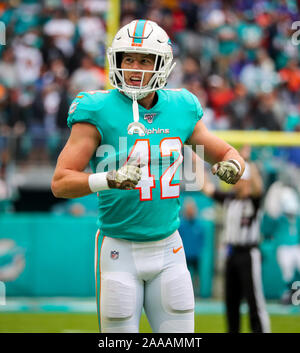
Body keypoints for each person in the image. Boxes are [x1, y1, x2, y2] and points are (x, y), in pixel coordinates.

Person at [51, 19, 245, 333]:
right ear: (117, 61)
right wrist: (108, 179)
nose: (135, 68)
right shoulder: (97, 108)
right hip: (119, 249)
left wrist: (235, 166)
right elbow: (60, 182)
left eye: (144, 60)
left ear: (162, 64)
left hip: (170, 247)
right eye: (128, 59)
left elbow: (225, 153)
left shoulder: (181, 107)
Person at [202, 145, 270, 333]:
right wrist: (197, 165)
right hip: (231, 253)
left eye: (242, 179)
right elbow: (207, 189)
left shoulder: (253, 201)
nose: (237, 182)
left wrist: (245, 161)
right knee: (231, 301)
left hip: (248, 253)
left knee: (253, 299)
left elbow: (258, 187)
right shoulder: (230, 199)